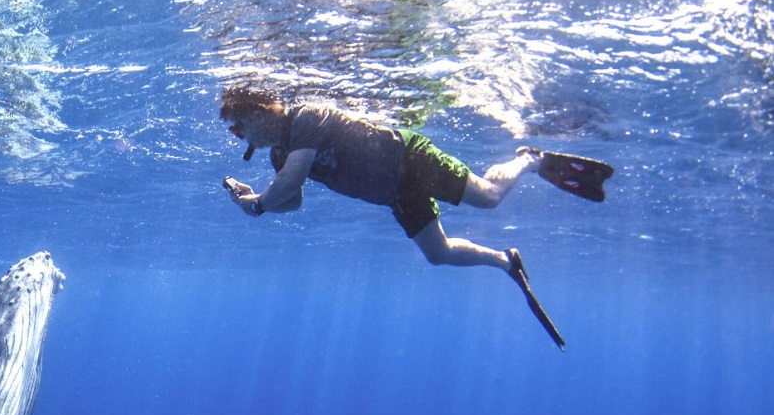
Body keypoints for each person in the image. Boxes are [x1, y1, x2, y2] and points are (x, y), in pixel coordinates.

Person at [218, 85, 611, 349]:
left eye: (238, 125)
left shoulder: (306, 117)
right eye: (232, 129)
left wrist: (257, 205)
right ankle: (506, 261)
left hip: (411, 160)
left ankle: (530, 160)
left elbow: (289, 184)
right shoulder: (278, 155)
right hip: (395, 194)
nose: (236, 134)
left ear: (262, 113)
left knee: (489, 198)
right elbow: (291, 201)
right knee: (437, 253)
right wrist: (251, 202)